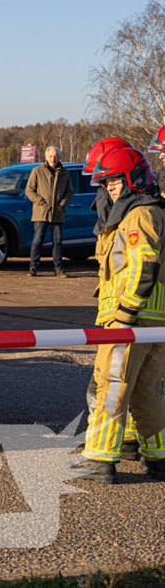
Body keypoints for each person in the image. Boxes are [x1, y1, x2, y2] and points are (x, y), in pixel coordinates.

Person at [71, 147, 165, 484]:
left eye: (113, 180)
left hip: (130, 319)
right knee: (145, 391)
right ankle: (158, 457)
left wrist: (124, 315)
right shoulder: (145, 210)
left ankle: (99, 458)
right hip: (150, 321)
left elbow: (144, 267)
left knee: (109, 386)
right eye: (106, 182)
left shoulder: (139, 215)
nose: (109, 187)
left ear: (132, 180)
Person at [25, 145, 73, 278]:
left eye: (55, 156)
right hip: (41, 212)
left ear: (59, 157)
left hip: (58, 213)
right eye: (51, 156)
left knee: (57, 241)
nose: (53, 159)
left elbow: (70, 192)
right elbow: (29, 191)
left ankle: (58, 268)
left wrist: (62, 203)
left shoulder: (65, 173)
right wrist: (41, 203)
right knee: (37, 240)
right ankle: (33, 267)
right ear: (46, 157)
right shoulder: (37, 171)